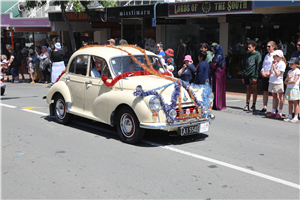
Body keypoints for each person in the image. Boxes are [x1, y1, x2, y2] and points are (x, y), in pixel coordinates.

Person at [242, 40, 262, 112]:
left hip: (253, 75)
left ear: (254, 47)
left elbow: (258, 66)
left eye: (250, 47)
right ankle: (247, 104)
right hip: (247, 75)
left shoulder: (257, 55)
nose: (248, 49)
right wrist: (243, 76)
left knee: (254, 90)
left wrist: (256, 76)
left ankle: (253, 105)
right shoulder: (248, 55)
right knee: (248, 90)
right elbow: (245, 65)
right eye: (248, 47)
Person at [266, 50, 286, 119]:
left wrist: (274, 66)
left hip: (278, 82)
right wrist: (272, 65)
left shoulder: (282, 63)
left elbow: (278, 74)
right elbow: (270, 72)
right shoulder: (274, 62)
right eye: (274, 55)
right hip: (272, 81)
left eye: (275, 56)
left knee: (281, 97)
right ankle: (273, 111)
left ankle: (280, 112)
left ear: (279, 56)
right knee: (274, 96)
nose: (274, 57)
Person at [260, 41, 277, 113]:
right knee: (265, 92)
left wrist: (270, 73)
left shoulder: (275, 55)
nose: (267, 48)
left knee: (274, 93)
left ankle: (274, 108)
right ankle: (264, 106)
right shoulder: (267, 55)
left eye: (269, 46)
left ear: (273, 47)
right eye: (267, 46)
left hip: (272, 75)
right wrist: (263, 71)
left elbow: (276, 66)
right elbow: (263, 65)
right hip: (265, 75)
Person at [210, 44, 226, 110]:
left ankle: (217, 105)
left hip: (217, 73)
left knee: (217, 89)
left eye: (214, 49)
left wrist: (209, 71)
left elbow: (213, 65)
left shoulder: (217, 56)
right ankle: (221, 104)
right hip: (222, 73)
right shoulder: (222, 56)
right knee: (221, 89)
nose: (213, 50)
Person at [283, 57, 300, 122]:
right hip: (289, 88)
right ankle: (290, 116)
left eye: (292, 63)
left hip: (294, 88)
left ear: (296, 64)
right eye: (290, 63)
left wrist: (286, 82)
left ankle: (295, 117)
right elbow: (285, 80)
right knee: (289, 102)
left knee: (295, 103)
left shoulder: (298, 71)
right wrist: (287, 80)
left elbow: (294, 81)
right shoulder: (289, 71)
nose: (290, 64)